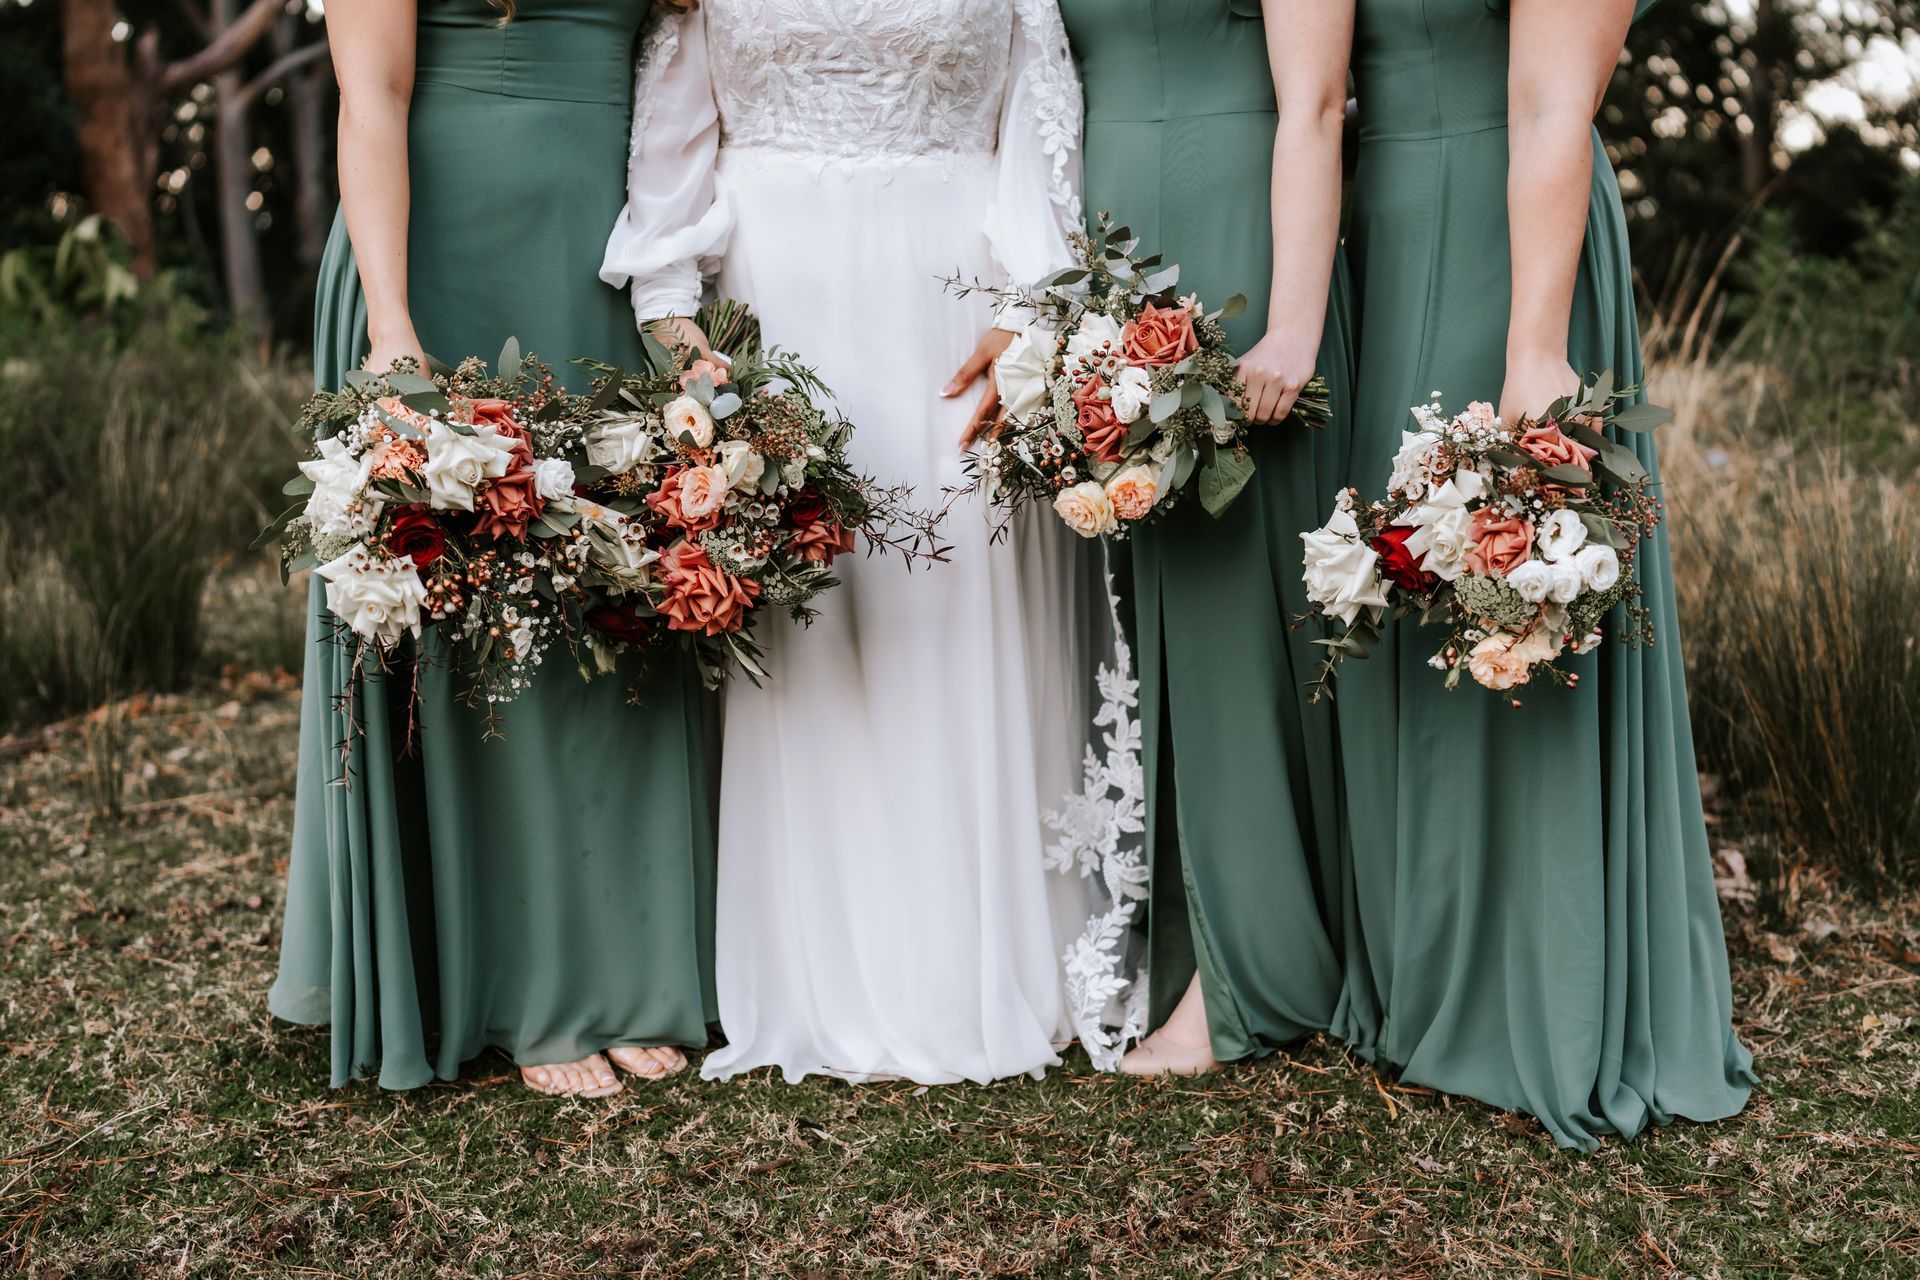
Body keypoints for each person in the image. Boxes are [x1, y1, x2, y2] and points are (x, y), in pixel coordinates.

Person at [602, 0, 1099, 1085]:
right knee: (817, 617)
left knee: (956, 600)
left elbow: (1040, 108)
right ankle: (813, 966)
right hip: (774, 314)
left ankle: (975, 958)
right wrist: (676, 319)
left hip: (956, 306)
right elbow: (677, 152)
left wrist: (1033, 305)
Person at [270, 0, 717, 1099]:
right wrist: (391, 324)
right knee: (482, 623)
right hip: (439, 259)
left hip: (602, 267)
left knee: (606, 609)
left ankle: (626, 966)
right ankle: (520, 984)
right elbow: (370, 92)